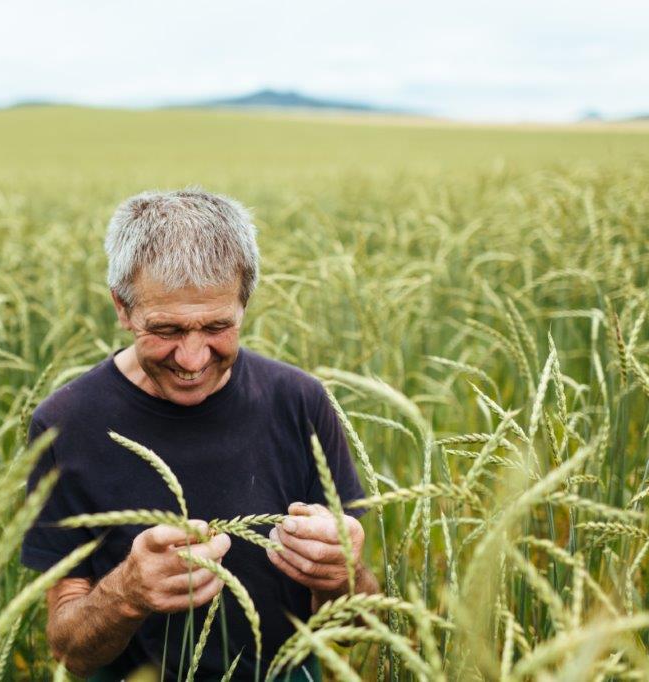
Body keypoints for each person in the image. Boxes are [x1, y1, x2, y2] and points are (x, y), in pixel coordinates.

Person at [20, 188, 380, 680]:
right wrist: (125, 593)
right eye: (166, 330)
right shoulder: (64, 425)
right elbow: (70, 651)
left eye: (217, 326)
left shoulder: (300, 402)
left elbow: (360, 624)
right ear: (122, 308)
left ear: (244, 304)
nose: (192, 360)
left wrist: (344, 577)